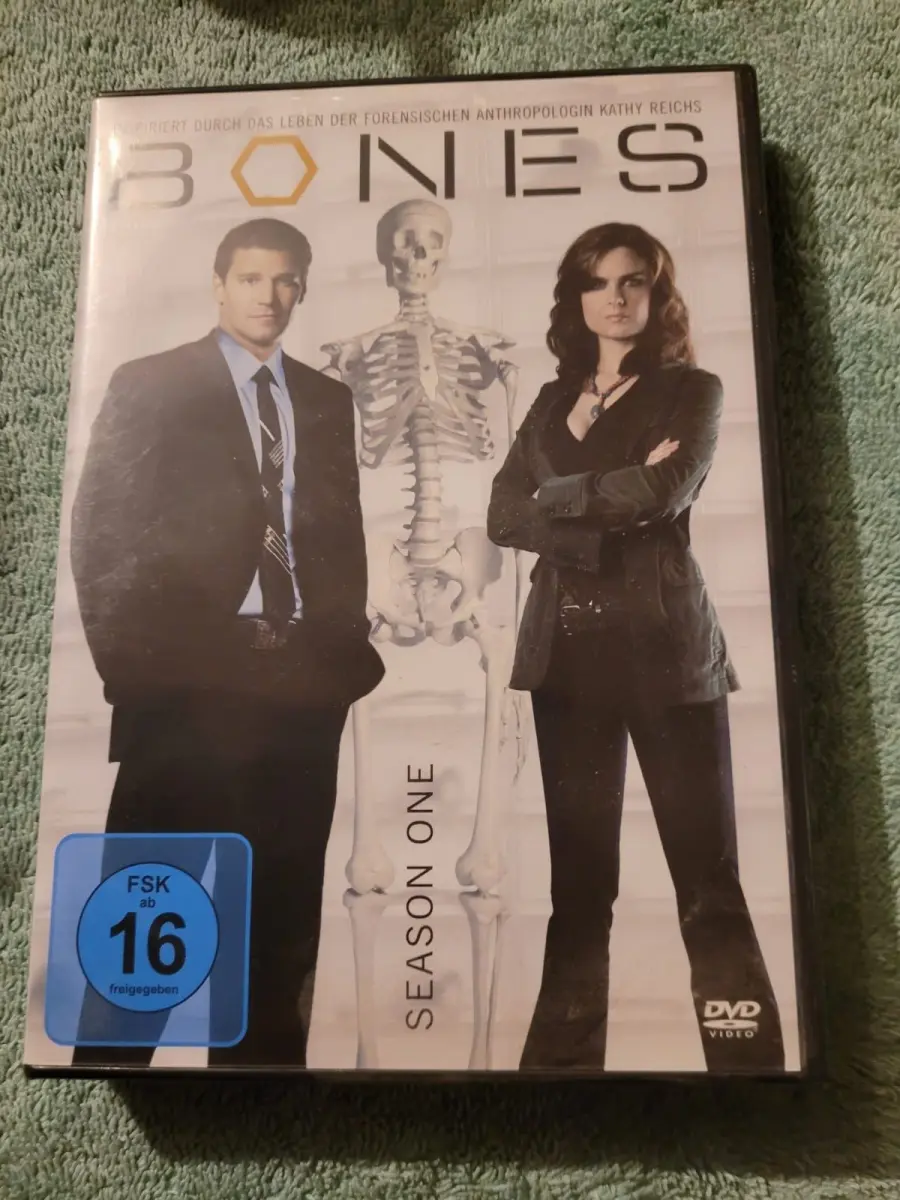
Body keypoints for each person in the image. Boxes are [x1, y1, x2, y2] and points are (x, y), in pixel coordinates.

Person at [70, 218, 384, 1069]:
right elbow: (100, 533)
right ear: (218, 285)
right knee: (148, 909)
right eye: (251, 278)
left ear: (303, 289)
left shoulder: (325, 400)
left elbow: (339, 533)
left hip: (301, 683)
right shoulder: (152, 383)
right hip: (185, 686)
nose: (268, 297)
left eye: (285, 280)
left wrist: (339, 651)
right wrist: (138, 677)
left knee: (278, 925)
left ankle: (259, 1096)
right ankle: (111, 1070)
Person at [487, 222, 784, 1073]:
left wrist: (556, 495)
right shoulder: (552, 400)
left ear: (656, 294)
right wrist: (595, 497)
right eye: (597, 282)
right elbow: (502, 515)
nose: (615, 297)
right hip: (566, 662)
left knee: (707, 882)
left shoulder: (693, 391)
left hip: (666, 657)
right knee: (579, 890)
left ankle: (750, 1072)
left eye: (632, 281)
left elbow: (662, 488)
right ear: (575, 299)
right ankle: (559, 1081)